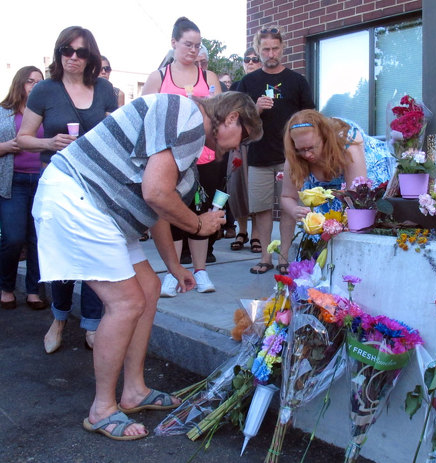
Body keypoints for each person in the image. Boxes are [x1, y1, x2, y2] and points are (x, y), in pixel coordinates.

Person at [31, 91, 262, 441]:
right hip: (78, 197)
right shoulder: (186, 115)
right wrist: (198, 225)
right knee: (126, 302)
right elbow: (156, 192)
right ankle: (102, 410)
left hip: (102, 210)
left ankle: (134, 391)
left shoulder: (187, 142)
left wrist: (173, 265)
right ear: (232, 118)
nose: (235, 148)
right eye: (241, 139)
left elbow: (156, 208)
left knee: (149, 288)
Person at [17, 26, 117, 353]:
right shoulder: (45, 89)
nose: (73, 57)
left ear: (91, 56)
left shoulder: (104, 88)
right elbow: (23, 138)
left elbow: (116, 133)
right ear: (59, 52)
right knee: (62, 255)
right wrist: (49, 141)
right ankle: (58, 318)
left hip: (95, 182)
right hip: (58, 180)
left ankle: (91, 324)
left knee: (94, 254)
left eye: (81, 52)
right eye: (66, 50)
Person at [141, 17, 223, 296]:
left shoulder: (208, 78)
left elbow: (219, 116)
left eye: (198, 46)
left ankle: (200, 271)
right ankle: (172, 271)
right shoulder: (159, 77)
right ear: (174, 43)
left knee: (202, 210)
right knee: (170, 212)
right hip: (170, 158)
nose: (193, 50)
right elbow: (145, 116)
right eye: (187, 44)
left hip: (204, 155)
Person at [237, 26, 315, 274]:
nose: (271, 53)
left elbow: (311, 117)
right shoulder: (248, 82)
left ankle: (284, 258)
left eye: (275, 48)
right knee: (261, 208)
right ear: (258, 51)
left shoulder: (297, 81)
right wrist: (256, 109)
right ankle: (265, 258)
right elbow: (237, 122)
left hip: (290, 158)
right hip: (258, 156)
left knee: (288, 208)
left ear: (282, 48)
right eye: (265, 49)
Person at [280, 110, 393, 260]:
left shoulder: (347, 144)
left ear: (325, 138)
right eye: (301, 150)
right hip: (335, 194)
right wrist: (294, 210)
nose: (306, 155)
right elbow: (287, 196)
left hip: (363, 184)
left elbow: (357, 197)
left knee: (356, 228)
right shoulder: (295, 157)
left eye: (311, 148)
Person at [0, 66, 49, 311]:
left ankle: (33, 291)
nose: (34, 86)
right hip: (13, 182)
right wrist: (7, 146)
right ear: (20, 83)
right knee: (13, 238)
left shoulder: (46, 111)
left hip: (42, 181)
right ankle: (6, 287)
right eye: (30, 81)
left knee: (37, 238)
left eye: (39, 82)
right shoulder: (3, 112)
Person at [227, 47, 262, 252]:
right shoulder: (236, 87)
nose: (250, 62)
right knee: (237, 188)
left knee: (257, 190)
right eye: (246, 59)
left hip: (260, 144)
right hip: (238, 144)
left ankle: (256, 234)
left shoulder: (265, 85)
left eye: (254, 59)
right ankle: (242, 231)